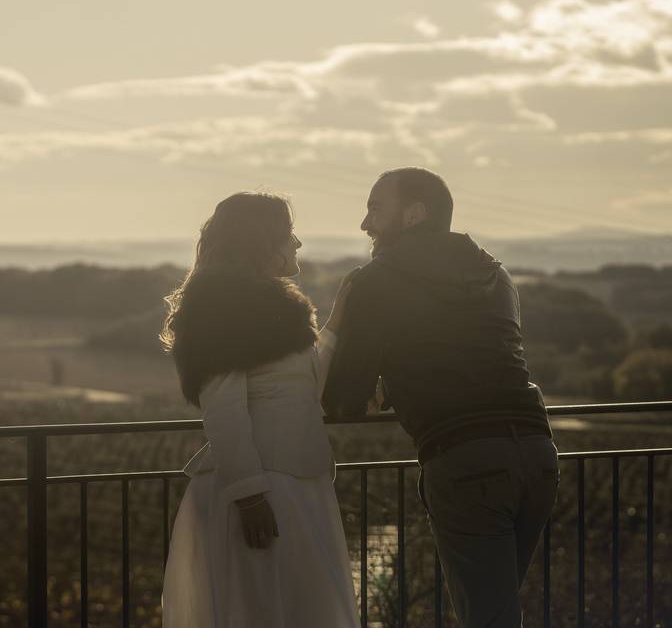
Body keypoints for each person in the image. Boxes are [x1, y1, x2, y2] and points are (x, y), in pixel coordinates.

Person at [323, 167, 559, 627]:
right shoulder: (495, 272)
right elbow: (477, 354)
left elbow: (342, 399)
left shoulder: (376, 280)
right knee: (498, 610)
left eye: (374, 209)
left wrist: (374, 388)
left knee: (488, 619)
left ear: (414, 215)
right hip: (537, 454)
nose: (365, 224)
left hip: (467, 464)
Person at [160, 192, 360, 627]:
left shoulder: (272, 309)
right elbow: (223, 408)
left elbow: (306, 386)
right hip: (263, 490)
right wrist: (249, 496)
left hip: (293, 483)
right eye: (289, 234)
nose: (298, 244)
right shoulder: (223, 308)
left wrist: (339, 319)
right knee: (267, 610)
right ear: (259, 241)